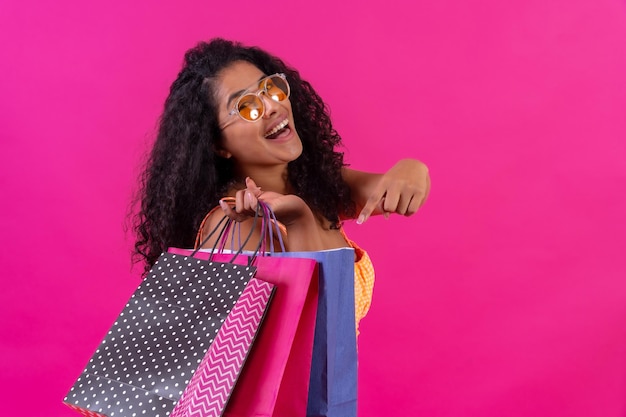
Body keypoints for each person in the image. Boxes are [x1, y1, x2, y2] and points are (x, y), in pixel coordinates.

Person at [133, 38, 430, 331]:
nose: (273, 107)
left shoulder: (314, 184)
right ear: (218, 145)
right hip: (306, 381)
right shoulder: (238, 223)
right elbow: (316, 336)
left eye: (270, 89)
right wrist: (298, 220)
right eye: (247, 107)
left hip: (335, 380)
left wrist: (413, 168)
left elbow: (390, 192)